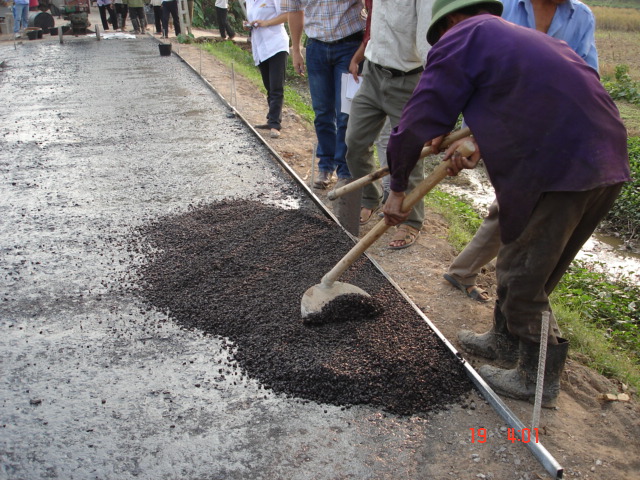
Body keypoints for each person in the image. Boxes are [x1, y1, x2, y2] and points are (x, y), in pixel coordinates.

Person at [383, 0, 630, 407]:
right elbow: (524, 107)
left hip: (561, 166)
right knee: (530, 254)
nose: (440, 45)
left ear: (451, 21)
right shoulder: (522, 41)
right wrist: (477, 143)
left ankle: (537, 381)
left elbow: (415, 122)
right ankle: (503, 340)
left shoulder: (463, 35)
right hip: (604, 157)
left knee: (523, 271)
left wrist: (396, 191)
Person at [443, 0, 599, 302]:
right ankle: (496, 293)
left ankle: (466, 272)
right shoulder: (503, 8)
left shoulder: (581, 15)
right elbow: (478, 71)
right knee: (517, 201)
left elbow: (586, 73)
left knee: (517, 202)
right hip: (501, 123)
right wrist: (473, 134)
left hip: (549, 127)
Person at [344, 0, 431, 249]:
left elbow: (428, 46)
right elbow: (373, 24)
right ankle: (370, 197)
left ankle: (411, 221)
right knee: (355, 143)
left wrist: (432, 96)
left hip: (407, 80)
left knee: (410, 153)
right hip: (373, 74)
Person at [282, 0, 366, 189]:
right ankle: (325, 165)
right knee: (322, 112)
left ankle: (345, 170)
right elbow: (295, 10)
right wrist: (296, 50)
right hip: (316, 48)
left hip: (349, 46)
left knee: (346, 113)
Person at [246, 0, 290, 139]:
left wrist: (267, 23)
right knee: (268, 86)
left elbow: (288, 15)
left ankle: (275, 124)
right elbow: (255, 19)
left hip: (276, 44)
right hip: (260, 46)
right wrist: (249, 24)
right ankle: (271, 118)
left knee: (276, 86)